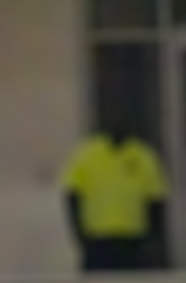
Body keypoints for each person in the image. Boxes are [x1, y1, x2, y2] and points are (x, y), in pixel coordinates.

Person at [62, 116, 170, 272]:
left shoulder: (142, 155)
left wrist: (153, 238)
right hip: (98, 238)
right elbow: (72, 196)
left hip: (132, 238)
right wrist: (79, 234)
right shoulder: (88, 155)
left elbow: (156, 200)